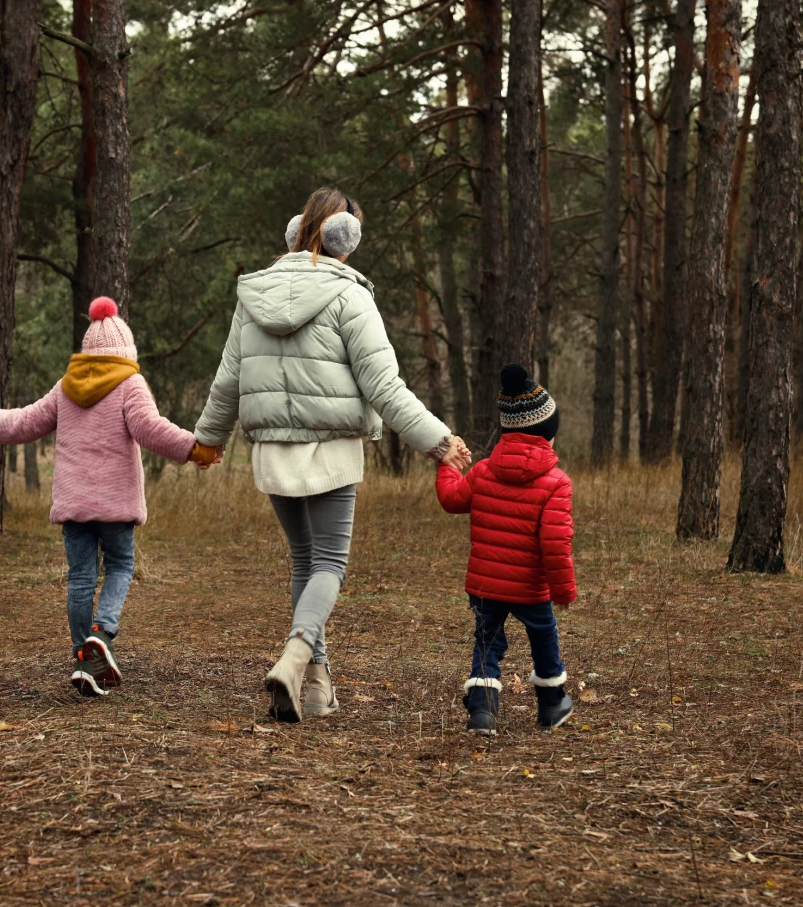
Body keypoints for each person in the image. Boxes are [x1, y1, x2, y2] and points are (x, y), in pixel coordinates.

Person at [194, 185, 472, 723]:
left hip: (272, 452)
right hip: (332, 451)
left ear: (298, 230)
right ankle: (297, 655)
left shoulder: (253, 295)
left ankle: (316, 688)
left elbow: (228, 380)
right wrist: (439, 440)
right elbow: (385, 387)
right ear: (348, 237)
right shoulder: (351, 295)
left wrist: (208, 440)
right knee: (329, 562)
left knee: (304, 559)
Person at [0, 297, 221, 696]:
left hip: (74, 503)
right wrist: (193, 448)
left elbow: (23, 421)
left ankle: (82, 656)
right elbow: (150, 429)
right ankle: (102, 633)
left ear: (87, 351)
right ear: (126, 351)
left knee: (81, 577)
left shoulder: (65, 386)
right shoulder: (130, 384)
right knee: (121, 565)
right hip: (115, 504)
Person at [435, 364, 577, 735]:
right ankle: (551, 703)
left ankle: (482, 711)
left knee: (487, 643)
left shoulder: (482, 472)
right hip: (531, 588)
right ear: (548, 431)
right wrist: (563, 590)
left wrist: (448, 466)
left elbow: (451, 499)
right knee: (544, 639)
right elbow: (555, 544)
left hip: (486, 586)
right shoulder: (556, 483)